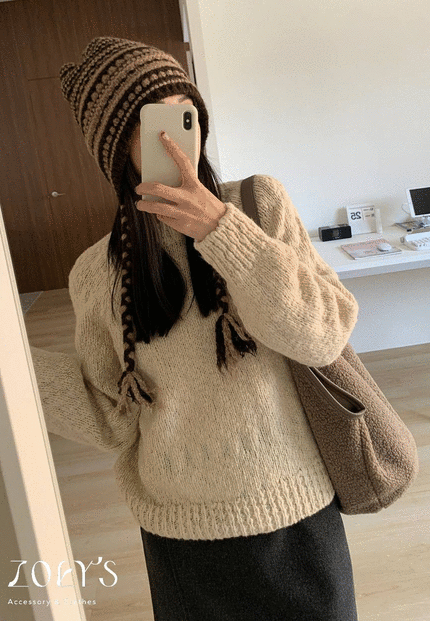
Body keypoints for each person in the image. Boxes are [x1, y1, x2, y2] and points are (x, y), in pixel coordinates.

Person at [30, 37, 361, 621]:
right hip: (181, 536)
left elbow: (322, 335)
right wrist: (7, 359)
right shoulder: (96, 273)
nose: (174, 140)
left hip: (296, 512)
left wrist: (222, 232)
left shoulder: (259, 206)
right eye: (151, 124)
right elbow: (110, 417)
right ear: (115, 147)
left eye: (185, 116)